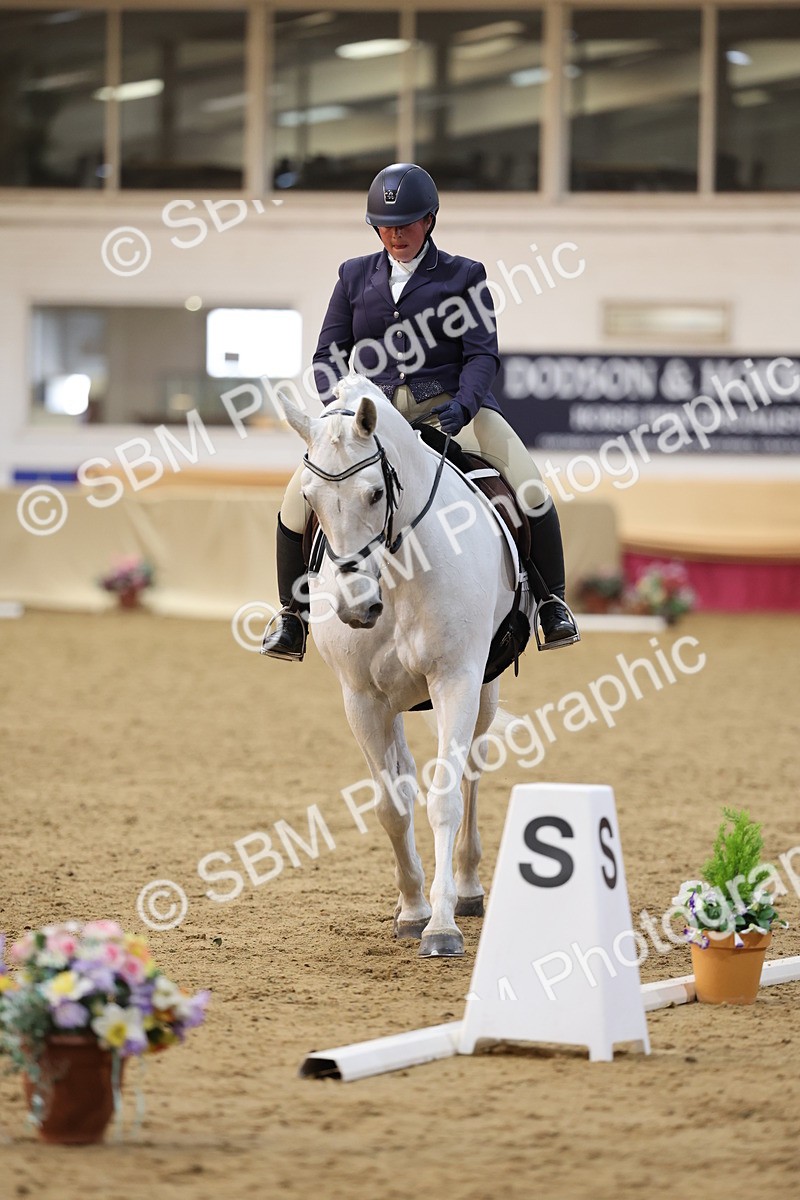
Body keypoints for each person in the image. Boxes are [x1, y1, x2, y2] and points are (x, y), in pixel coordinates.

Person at [262, 162, 579, 662]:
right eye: (385, 226)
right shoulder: (353, 276)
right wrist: (339, 411)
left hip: (451, 410)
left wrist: (462, 407)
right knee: (296, 499)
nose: (395, 234)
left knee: (528, 481)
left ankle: (550, 603)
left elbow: (481, 354)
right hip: (371, 420)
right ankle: (291, 616)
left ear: (428, 220)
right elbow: (327, 356)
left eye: (405, 224)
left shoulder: (463, 275)